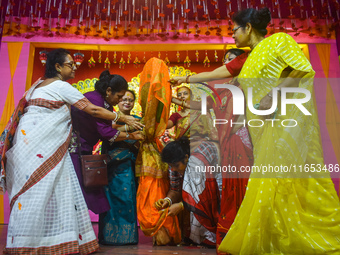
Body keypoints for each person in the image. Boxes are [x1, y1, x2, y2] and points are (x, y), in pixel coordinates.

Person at [218, 8, 340, 254]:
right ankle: (274, 239)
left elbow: (303, 70)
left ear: (248, 28)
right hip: (263, 131)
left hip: (283, 126)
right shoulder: (250, 57)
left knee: (286, 180)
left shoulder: (279, 41)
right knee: (269, 182)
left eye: (234, 30)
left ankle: (310, 236)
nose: (232, 36)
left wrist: (273, 95)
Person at [0, 48, 141, 254]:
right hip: (45, 147)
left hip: (29, 146)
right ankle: (37, 241)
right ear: (57, 67)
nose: (74, 66)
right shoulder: (60, 86)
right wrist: (124, 119)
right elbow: (91, 110)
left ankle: (36, 240)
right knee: (42, 190)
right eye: (70, 64)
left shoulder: (36, 85)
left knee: (40, 191)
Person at [170, 49, 253, 250]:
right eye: (224, 61)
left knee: (243, 185)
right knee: (228, 189)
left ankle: (248, 233)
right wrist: (173, 100)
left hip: (241, 140)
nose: (226, 64)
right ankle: (231, 232)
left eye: (230, 61)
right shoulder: (224, 91)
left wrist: (185, 78)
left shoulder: (248, 85)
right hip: (226, 144)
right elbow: (201, 105)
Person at [70, 70, 143, 217]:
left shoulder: (108, 106)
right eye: (120, 97)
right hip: (74, 148)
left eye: (128, 99)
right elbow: (106, 133)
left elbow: (107, 130)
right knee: (77, 191)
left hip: (87, 149)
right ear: (109, 91)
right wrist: (131, 134)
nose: (121, 101)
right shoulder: (95, 100)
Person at [158, 136, 221, 246]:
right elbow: (175, 189)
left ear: (186, 158)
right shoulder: (175, 164)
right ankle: (199, 236)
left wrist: (181, 206)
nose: (173, 169)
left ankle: (210, 236)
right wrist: (167, 200)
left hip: (221, 175)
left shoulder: (196, 160)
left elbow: (204, 194)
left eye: (176, 166)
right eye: (171, 166)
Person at [98, 90, 141, 245]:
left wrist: (122, 129)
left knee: (126, 200)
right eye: (123, 99)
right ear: (118, 101)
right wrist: (128, 128)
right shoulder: (109, 117)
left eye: (130, 100)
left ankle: (127, 237)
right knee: (108, 201)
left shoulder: (138, 120)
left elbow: (141, 137)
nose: (127, 102)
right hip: (109, 166)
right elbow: (106, 133)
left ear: (134, 102)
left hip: (127, 167)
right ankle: (107, 237)